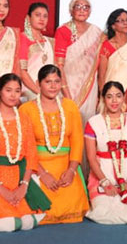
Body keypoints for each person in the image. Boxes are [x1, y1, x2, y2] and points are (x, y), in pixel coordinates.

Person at [0, 74, 51, 232]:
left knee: (27, 223)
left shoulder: (24, 119)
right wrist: (1, 188)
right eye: (8, 90)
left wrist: (24, 186)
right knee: (10, 224)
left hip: (20, 176)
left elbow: (31, 155)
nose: (13, 95)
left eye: (17, 91)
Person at [19, 65, 88, 225]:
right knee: (41, 209)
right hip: (37, 166)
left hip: (66, 167)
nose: (53, 86)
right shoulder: (26, 109)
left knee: (72, 209)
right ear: (38, 83)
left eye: (57, 81)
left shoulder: (70, 107)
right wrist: (42, 174)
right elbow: (25, 147)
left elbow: (77, 141)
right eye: (48, 82)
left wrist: (71, 170)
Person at [84, 81, 127, 225]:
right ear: (103, 99)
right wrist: (105, 182)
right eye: (109, 97)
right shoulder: (94, 122)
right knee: (102, 212)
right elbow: (91, 158)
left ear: (124, 98)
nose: (114, 101)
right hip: (102, 175)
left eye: (118, 96)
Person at [54, 0, 104, 118]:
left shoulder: (97, 32)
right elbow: (59, 65)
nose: (82, 10)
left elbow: (100, 62)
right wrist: (65, 91)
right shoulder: (63, 30)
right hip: (68, 83)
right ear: (71, 10)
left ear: (90, 12)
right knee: (67, 119)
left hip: (89, 84)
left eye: (86, 7)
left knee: (86, 119)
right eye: (78, 7)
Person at [17, 2, 56, 101]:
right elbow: (22, 71)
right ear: (28, 18)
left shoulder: (50, 42)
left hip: (49, 89)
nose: (42, 19)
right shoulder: (23, 38)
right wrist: (39, 92)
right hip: (29, 90)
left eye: (45, 16)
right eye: (38, 15)